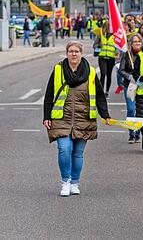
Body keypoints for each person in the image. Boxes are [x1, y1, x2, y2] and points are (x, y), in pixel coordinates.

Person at [42, 41, 111, 196]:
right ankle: (65, 181)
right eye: (71, 51)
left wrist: (105, 114)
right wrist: (46, 116)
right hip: (61, 117)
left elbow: (99, 96)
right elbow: (49, 94)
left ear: (81, 53)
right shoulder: (58, 70)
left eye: (76, 51)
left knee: (78, 153)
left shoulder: (91, 72)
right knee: (64, 149)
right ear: (67, 53)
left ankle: (75, 182)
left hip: (83, 118)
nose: (73, 54)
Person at [118, 34, 143, 143]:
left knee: (139, 110)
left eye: (139, 41)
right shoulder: (126, 54)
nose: (137, 43)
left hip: (142, 85)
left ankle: (137, 132)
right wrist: (129, 76)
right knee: (131, 109)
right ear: (131, 44)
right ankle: (131, 133)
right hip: (130, 85)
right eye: (135, 42)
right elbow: (121, 70)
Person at [95, 24, 117, 96]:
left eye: (108, 27)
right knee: (103, 73)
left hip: (111, 57)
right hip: (102, 57)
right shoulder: (100, 35)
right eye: (105, 27)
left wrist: (117, 53)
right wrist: (98, 45)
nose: (106, 29)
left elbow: (117, 46)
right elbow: (94, 45)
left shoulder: (115, 35)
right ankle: (101, 90)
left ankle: (107, 90)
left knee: (109, 74)